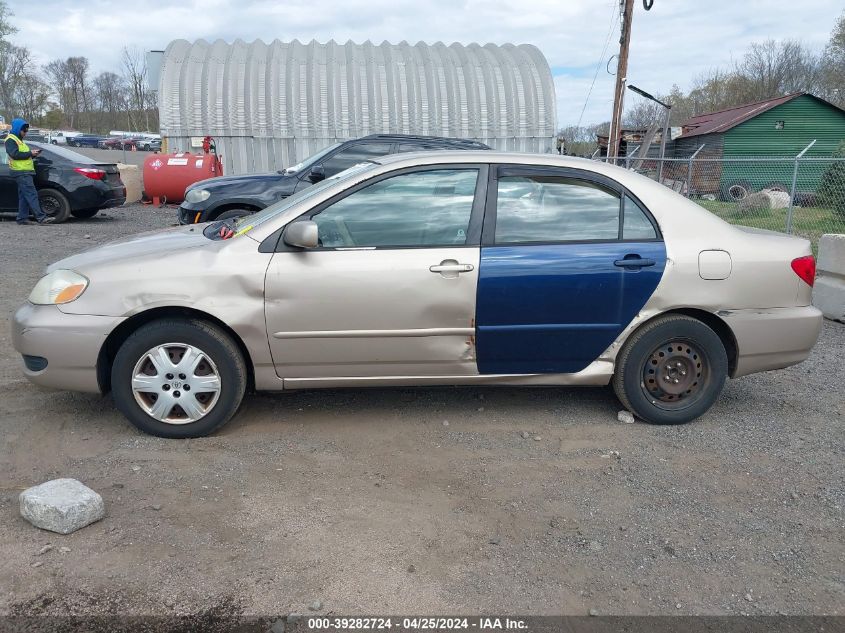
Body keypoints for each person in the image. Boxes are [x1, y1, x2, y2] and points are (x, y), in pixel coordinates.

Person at [5, 118, 52, 225]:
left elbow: (21, 155)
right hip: (21, 172)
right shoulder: (11, 140)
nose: (25, 133)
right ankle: (41, 218)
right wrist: (30, 153)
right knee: (32, 194)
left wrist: (32, 154)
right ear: (18, 129)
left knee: (24, 196)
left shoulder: (18, 140)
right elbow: (15, 155)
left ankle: (22, 218)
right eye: (24, 131)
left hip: (24, 172)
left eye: (26, 131)